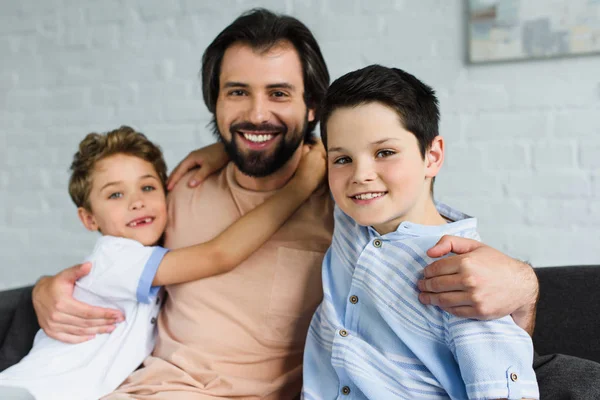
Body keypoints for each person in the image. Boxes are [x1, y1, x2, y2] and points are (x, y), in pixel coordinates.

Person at [25, 8, 596, 400]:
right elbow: (118, 251)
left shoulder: (349, 198)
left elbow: (425, 233)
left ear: (313, 107)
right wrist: (49, 288)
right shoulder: (179, 188)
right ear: (215, 103)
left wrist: (524, 282)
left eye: (279, 93)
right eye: (236, 93)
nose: (256, 113)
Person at [0, 125, 326, 400]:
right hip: (32, 390)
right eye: (116, 195)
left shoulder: (149, 254)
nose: (137, 201)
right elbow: (220, 254)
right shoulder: (116, 258)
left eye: (147, 186)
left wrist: (224, 151)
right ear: (88, 219)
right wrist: (301, 186)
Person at [301, 65, 538, 399]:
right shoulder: (350, 218)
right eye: (343, 159)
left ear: (433, 155)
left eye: (384, 152)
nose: (361, 174)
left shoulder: (463, 276)